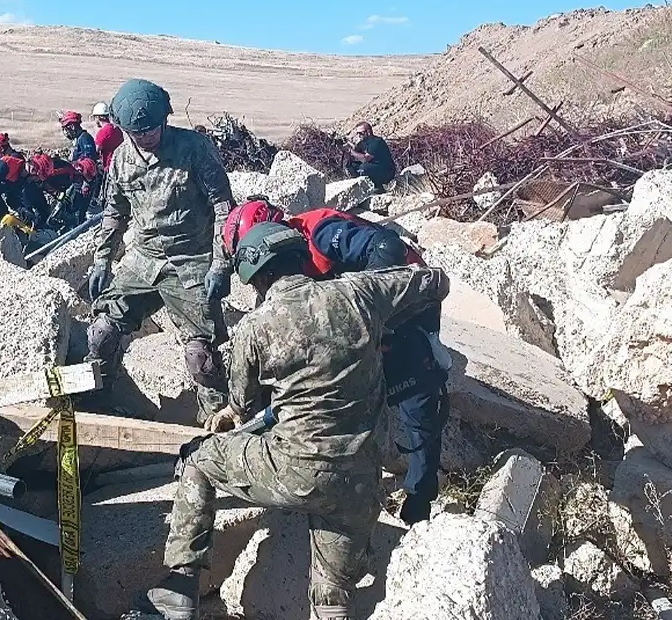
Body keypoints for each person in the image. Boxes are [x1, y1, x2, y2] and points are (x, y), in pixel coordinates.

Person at [138, 222, 450, 620]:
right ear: (301, 258)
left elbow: (242, 407)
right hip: (359, 482)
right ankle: (331, 599)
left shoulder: (255, 327)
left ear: (259, 277)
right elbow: (436, 282)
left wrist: (228, 416)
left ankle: (180, 587)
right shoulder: (359, 292)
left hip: (296, 472)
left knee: (200, 459)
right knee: (333, 596)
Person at [224, 198, 450, 525]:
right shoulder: (278, 268)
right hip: (356, 311)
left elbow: (386, 246)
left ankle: (420, 496)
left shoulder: (321, 232)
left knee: (416, 395)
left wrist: (369, 315)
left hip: (402, 304)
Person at [86, 78, 234, 421]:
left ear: (165, 119)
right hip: (143, 259)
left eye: (152, 129)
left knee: (202, 357)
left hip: (191, 260)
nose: (146, 137)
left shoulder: (194, 148)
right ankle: (101, 404)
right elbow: (115, 211)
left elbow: (224, 208)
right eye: (137, 132)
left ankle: (218, 425)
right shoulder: (121, 160)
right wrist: (102, 260)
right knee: (101, 334)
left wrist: (219, 265)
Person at [344, 121, 396, 188]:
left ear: (368, 132)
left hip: (386, 170)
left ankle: (378, 186)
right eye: (357, 133)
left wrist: (350, 150)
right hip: (373, 167)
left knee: (364, 167)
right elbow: (354, 155)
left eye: (360, 133)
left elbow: (365, 158)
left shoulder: (377, 142)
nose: (359, 135)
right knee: (352, 166)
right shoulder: (362, 143)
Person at [91, 101, 124, 172]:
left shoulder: (103, 132)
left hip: (109, 167)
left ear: (98, 117)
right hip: (120, 165)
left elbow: (94, 151)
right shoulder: (117, 129)